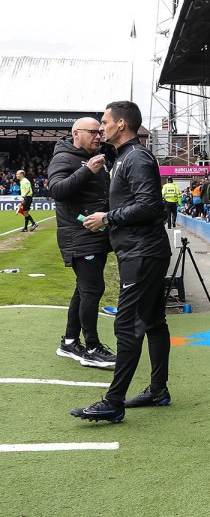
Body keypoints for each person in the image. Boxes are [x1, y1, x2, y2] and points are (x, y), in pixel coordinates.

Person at [70, 100, 173, 424]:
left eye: (105, 122)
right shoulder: (127, 157)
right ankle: (158, 390)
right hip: (142, 251)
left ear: (121, 125)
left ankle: (113, 402)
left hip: (142, 253)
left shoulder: (137, 158)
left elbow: (150, 206)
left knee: (127, 324)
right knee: (154, 323)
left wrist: (107, 218)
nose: (101, 128)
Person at [47, 117, 116, 369]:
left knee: (84, 289)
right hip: (79, 235)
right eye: (93, 132)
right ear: (76, 133)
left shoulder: (96, 156)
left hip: (94, 234)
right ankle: (92, 348)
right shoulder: (64, 158)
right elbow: (57, 190)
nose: (99, 136)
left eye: (100, 132)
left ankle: (68, 342)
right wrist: (87, 170)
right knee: (92, 289)